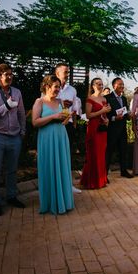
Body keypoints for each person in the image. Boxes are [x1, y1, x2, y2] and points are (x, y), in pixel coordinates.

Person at [0, 64, 27, 216]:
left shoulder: (17, 92)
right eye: (6, 74)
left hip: (14, 137)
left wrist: (22, 131)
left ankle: (11, 196)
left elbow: (21, 113)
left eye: (10, 74)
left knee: (12, 170)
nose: (9, 77)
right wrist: (5, 106)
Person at [32, 75, 74, 214]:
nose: (58, 90)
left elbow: (64, 121)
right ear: (47, 86)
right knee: (49, 167)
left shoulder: (61, 101)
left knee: (62, 167)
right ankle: (51, 202)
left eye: (59, 87)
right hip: (47, 139)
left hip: (61, 137)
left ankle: (64, 201)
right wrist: (53, 117)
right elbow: (35, 122)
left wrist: (67, 117)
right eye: (55, 87)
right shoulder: (39, 102)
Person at [55, 64, 82, 193]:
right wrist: (61, 103)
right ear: (57, 73)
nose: (67, 74)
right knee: (56, 155)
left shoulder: (72, 90)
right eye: (65, 71)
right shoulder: (50, 87)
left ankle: (68, 185)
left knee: (67, 155)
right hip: (55, 124)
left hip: (69, 124)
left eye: (68, 71)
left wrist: (75, 122)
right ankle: (56, 185)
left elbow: (76, 108)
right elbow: (45, 103)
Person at [81, 77, 110, 188]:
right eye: (98, 84)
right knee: (93, 154)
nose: (100, 86)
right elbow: (88, 115)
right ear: (93, 86)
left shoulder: (104, 99)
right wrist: (102, 111)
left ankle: (101, 180)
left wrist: (106, 118)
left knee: (101, 154)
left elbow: (104, 115)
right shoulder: (90, 99)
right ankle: (91, 181)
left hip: (102, 129)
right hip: (93, 128)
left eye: (101, 84)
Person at [105, 77, 133, 178]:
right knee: (109, 152)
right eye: (119, 84)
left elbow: (125, 113)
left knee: (123, 150)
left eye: (122, 84)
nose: (122, 86)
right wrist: (114, 118)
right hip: (112, 129)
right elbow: (105, 115)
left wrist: (129, 116)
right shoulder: (107, 98)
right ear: (114, 86)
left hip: (122, 129)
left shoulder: (124, 98)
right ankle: (104, 174)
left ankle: (123, 171)